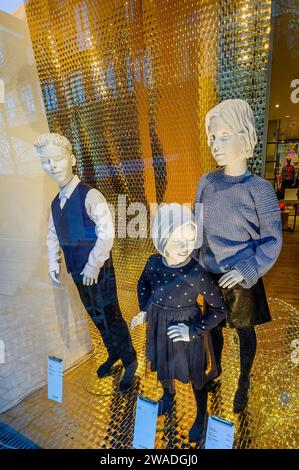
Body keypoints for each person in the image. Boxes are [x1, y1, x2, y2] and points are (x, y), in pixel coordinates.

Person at [194, 99, 282, 412]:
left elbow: (273, 240)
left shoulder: (259, 189)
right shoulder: (206, 182)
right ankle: (215, 369)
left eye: (224, 136)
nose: (215, 144)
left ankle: (244, 379)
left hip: (242, 276)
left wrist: (247, 268)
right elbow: (197, 230)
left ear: (244, 136)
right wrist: (193, 266)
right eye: (213, 138)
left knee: (244, 332)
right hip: (210, 273)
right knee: (212, 328)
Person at [35, 132, 137, 391]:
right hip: (77, 271)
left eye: (57, 159)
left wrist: (93, 265)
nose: (53, 166)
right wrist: (52, 262)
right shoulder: (55, 204)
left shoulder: (90, 196)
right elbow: (52, 234)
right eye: (47, 161)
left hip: (99, 270)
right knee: (95, 315)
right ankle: (113, 353)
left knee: (111, 314)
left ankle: (130, 359)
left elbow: (107, 233)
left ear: (72, 159)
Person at [131, 203, 228, 442]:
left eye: (190, 239)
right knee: (163, 364)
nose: (186, 247)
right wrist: (145, 311)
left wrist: (193, 331)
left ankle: (201, 415)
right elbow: (143, 285)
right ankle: (168, 395)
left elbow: (219, 309)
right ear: (161, 239)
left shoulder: (196, 272)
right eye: (178, 241)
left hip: (187, 332)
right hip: (159, 326)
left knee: (196, 376)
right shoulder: (153, 263)